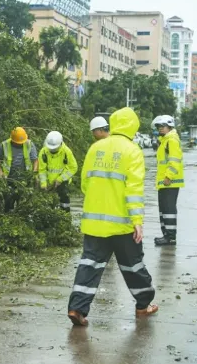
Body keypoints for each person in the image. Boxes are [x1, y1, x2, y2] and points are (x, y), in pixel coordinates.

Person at [67, 107, 159, 327]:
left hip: (94, 222)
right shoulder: (133, 151)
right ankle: (143, 305)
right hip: (122, 224)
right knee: (133, 266)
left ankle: (77, 308)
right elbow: (134, 189)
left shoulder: (95, 148)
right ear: (133, 126)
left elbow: (85, 183)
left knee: (89, 264)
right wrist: (137, 221)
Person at [153, 115, 184, 246]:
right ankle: (166, 235)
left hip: (170, 182)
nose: (160, 129)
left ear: (170, 127)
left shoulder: (171, 140)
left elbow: (174, 160)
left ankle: (171, 238)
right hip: (164, 183)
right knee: (164, 210)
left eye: (163, 126)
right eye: (159, 127)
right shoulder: (164, 141)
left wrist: (168, 176)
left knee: (169, 210)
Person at [0, 127, 39, 212]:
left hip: (25, 180)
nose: (19, 144)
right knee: (8, 201)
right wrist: (0, 171)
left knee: (23, 204)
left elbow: (35, 160)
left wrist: (34, 173)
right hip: (9, 179)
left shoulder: (29, 144)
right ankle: (9, 216)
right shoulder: (5, 144)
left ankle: (21, 217)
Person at [38, 131, 78, 211]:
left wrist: (61, 179)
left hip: (63, 181)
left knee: (64, 200)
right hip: (49, 182)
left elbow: (73, 167)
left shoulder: (66, 152)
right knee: (48, 204)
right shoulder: (43, 152)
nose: (52, 150)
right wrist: (43, 183)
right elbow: (42, 170)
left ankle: (65, 217)